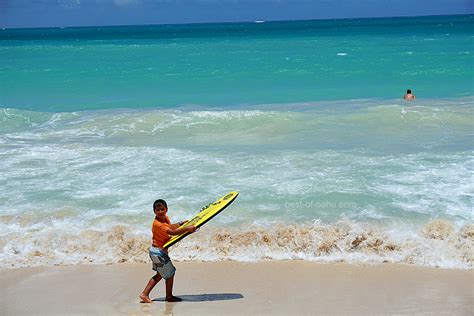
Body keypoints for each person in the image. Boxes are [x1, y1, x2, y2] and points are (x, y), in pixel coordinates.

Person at [139, 199, 196, 303]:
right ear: (154, 211)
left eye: (162, 209)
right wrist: (187, 229)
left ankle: (145, 294)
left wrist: (180, 223)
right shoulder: (158, 224)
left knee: (160, 274)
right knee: (170, 273)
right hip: (158, 253)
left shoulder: (164, 219)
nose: (160, 211)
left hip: (157, 252)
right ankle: (167, 296)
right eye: (158, 210)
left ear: (166, 209)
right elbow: (172, 232)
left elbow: (170, 227)